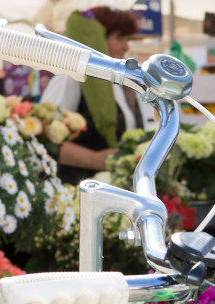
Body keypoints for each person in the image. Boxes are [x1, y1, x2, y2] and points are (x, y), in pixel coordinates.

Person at [39, 6, 146, 185]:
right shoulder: (70, 78)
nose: (126, 46)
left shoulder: (121, 84)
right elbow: (42, 139)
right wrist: (93, 158)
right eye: (120, 38)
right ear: (96, 40)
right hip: (76, 190)